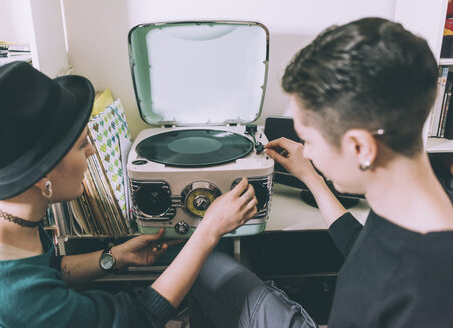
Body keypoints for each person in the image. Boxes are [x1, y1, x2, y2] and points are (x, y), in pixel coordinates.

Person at [188, 17, 453, 327]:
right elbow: (363, 245)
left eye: (309, 140)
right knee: (205, 268)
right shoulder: (416, 201)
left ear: (360, 148)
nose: (306, 151)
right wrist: (310, 176)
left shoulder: (398, 291)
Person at [0, 61, 259, 327]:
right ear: (43, 176)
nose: (92, 151)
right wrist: (209, 230)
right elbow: (139, 318)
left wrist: (114, 256)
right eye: (81, 145)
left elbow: (49, 270)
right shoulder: (10, 297)